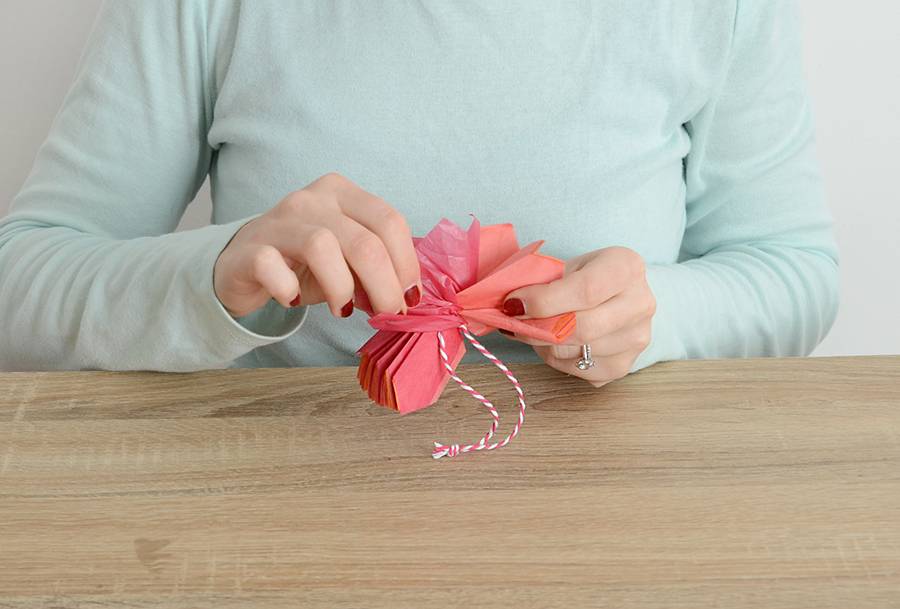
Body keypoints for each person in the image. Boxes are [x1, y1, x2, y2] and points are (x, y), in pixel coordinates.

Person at [0, 1, 839, 387]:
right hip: (268, 517)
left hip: (623, 518)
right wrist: (216, 275)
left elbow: (794, 271)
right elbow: (20, 284)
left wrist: (656, 315)